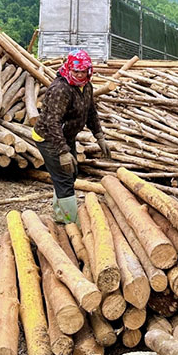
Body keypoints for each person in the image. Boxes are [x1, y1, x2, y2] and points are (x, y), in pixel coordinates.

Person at [32, 49, 109, 224]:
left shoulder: (86, 86)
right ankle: (68, 222)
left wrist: (99, 135)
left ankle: (60, 212)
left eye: (83, 71)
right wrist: (62, 151)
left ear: (89, 71)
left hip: (65, 135)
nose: (80, 75)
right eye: (76, 71)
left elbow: (91, 112)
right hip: (48, 137)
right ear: (68, 68)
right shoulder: (61, 89)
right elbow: (52, 122)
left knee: (71, 173)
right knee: (65, 178)